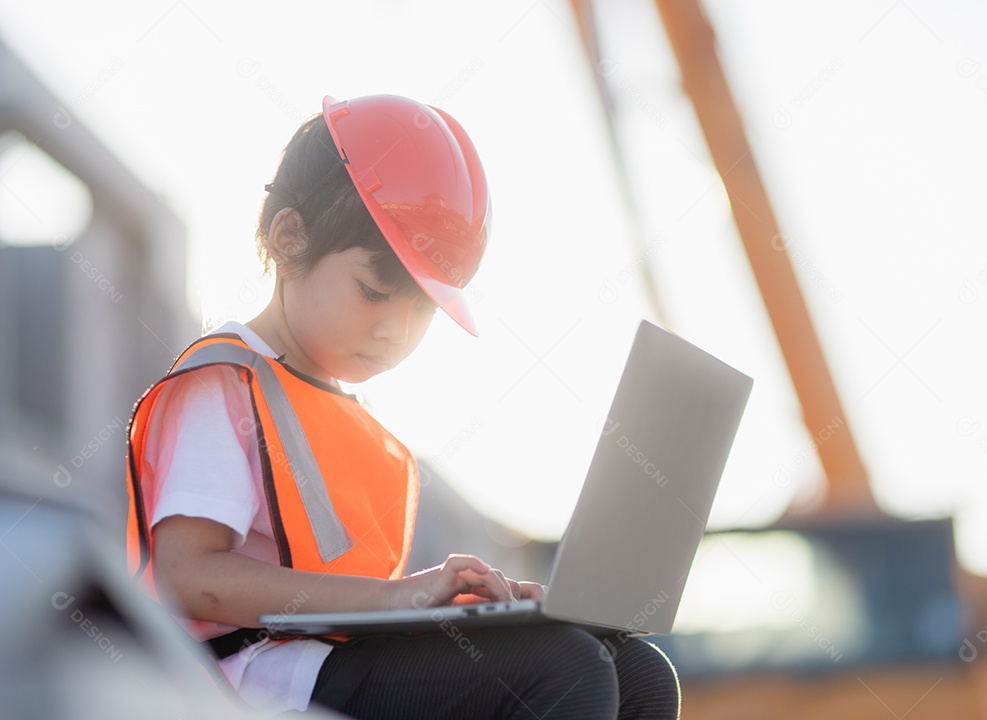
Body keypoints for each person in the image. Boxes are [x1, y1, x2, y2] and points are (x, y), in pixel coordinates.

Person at [125, 94, 680, 719]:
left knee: (637, 674)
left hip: (338, 662)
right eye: (375, 291)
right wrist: (398, 602)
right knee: (565, 667)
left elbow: (362, 608)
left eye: (422, 310)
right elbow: (184, 574)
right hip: (253, 683)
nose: (396, 331)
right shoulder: (224, 383)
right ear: (289, 238)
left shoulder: (348, 420)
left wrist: (471, 612)